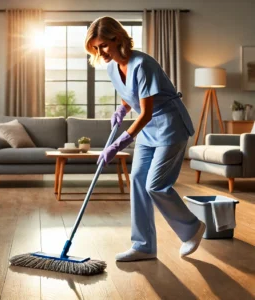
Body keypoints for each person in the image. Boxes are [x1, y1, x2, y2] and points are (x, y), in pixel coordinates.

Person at [85, 16, 206, 262]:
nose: (100, 52)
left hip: (170, 128)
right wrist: (121, 109)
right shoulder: (111, 67)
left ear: (117, 38)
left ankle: (191, 228)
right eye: (96, 48)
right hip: (148, 132)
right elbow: (131, 95)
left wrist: (118, 144)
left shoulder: (143, 64)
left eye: (103, 46)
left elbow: (147, 111)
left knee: (156, 185)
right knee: (138, 181)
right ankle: (143, 246)